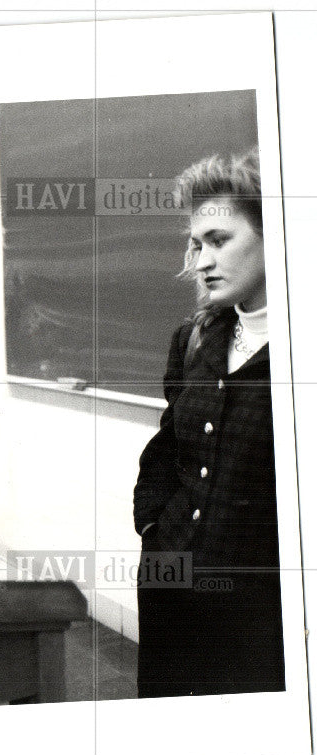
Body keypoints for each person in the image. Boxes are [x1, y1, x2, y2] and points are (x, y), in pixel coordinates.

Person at [133, 149, 284, 697]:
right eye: (197, 244)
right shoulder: (193, 339)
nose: (200, 260)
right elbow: (166, 449)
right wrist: (153, 530)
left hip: (263, 611)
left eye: (219, 240)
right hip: (171, 583)